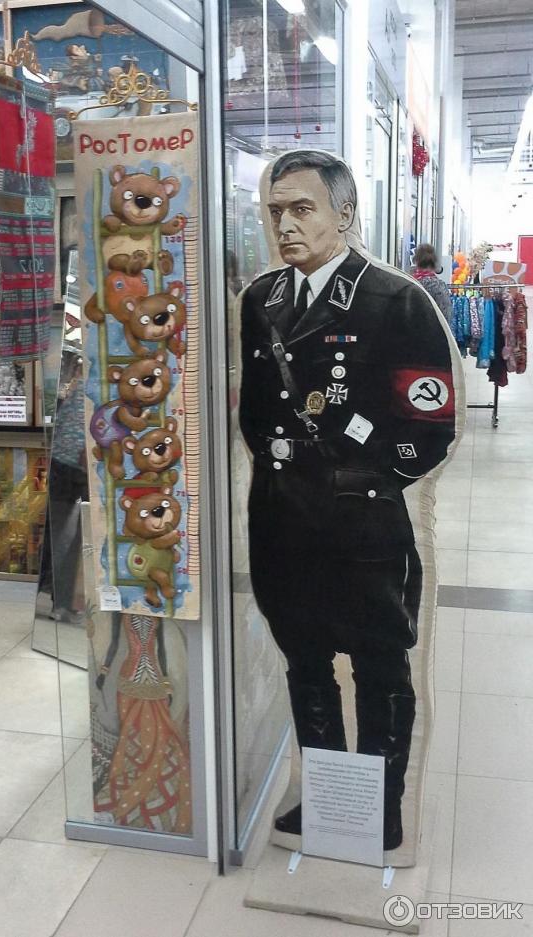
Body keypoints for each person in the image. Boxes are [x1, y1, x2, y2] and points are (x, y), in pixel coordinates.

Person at [239, 150, 458, 851]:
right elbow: (255, 415)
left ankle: (381, 808)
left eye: (302, 209)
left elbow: (430, 423)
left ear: (344, 214)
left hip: (361, 522)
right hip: (281, 516)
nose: (286, 225)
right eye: (276, 211)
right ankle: (331, 801)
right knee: (304, 660)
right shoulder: (262, 300)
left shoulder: (395, 300)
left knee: (379, 663)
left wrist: (367, 479)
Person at [413, 243, 453, 323]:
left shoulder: (409, 283)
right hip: (431, 329)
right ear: (434, 262)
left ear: (416, 261)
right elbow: (446, 317)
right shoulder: (438, 286)